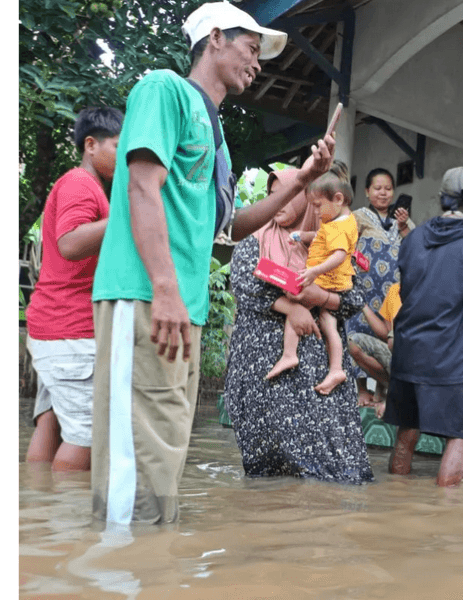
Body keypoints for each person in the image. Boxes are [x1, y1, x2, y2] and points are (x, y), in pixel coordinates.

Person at [89, 1, 336, 525]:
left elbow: (228, 228)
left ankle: (149, 567)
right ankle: (120, 568)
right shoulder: (164, 89)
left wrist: (305, 179)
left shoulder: (216, 133)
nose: (258, 62)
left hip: (182, 305)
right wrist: (165, 288)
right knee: (136, 456)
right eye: (252, 48)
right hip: (145, 295)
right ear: (216, 37)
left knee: (165, 451)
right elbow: (140, 185)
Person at [223, 169, 373, 483]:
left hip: (319, 374)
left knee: (330, 472)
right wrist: (292, 308)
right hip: (264, 368)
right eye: (273, 196)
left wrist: (323, 298)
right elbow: (243, 285)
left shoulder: (330, 241)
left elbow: (355, 297)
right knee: (270, 472)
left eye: (291, 196)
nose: (278, 204)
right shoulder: (256, 240)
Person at [382, 167, 463, 487]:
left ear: (440, 199)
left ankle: (395, 502)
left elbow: (406, 293)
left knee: (407, 432)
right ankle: (447, 526)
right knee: (461, 434)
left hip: (406, 349)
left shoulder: (414, 237)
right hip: (447, 356)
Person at [25, 107, 123, 472]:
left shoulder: (82, 185)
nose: (125, 155)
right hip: (70, 331)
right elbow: (70, 242)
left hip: (53, 328)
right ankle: (69, 525)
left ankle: (35, 512)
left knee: (49, 422)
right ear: (91, 145)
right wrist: (130, 212)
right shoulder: (81, 183)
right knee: (87, 438)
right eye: (118, 145)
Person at [265, 161, 358, 397]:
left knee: (298, 301)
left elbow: (339, 255)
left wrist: (316, 276)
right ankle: (336, 368)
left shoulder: (337, 226)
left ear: (337, 199)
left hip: (327, 282)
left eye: (317, 206)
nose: (315, 212)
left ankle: (289, 354)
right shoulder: (338, 223)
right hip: (330, 283)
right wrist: (303, 236)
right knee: (329, 325)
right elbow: (321, 237)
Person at [347, 168, 414, 405]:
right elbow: (345, 244)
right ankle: (362, 389)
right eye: (377, 188)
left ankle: (382, 390)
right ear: (367, 191)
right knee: (359, 331)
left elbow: (417, 245)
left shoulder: (402, 220)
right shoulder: (358, 217)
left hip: (393, 290)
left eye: (387, 189)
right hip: (365, 287)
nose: (383, 193)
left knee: (389, 338)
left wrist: (405, 225)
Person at [348, 281, 401, 418]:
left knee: (396, 340)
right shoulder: (395, 290)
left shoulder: (428, 292)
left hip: (422, 365)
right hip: (397, 359)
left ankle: (399, 394)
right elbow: (385, 333)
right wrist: (363, 305)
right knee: (354, 342)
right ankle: (392, 387)